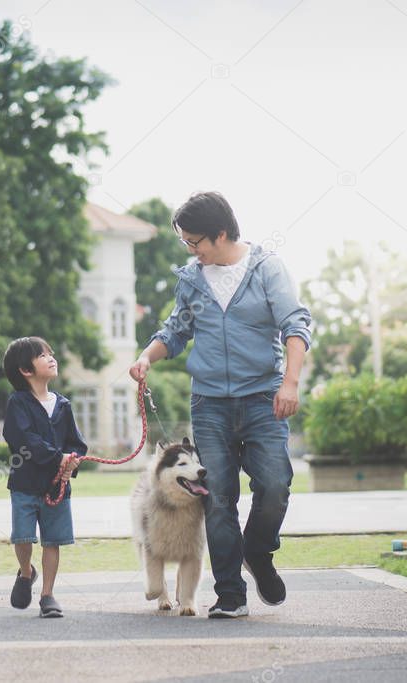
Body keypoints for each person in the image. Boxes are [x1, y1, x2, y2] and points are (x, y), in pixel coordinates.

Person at [130, 191, 311, 619]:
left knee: (274, 487)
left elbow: (295, 324)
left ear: (222, 234)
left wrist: (290, 383)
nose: (191, 251)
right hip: (209, 404)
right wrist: (145, 357)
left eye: (195, 242)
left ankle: (259, 552)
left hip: (263, 399)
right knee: (218, 498)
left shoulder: (267, 270)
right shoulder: (192, 279)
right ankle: (230, 593)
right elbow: (175, 331)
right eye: (185, 243)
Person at [2, 336, 86, 618]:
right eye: (43, 355)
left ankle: (47, 595)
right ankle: (26, 572)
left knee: (53, 541)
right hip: (25, 486)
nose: (52, 358)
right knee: (23, 537)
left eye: (51, 353)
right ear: (26, 370)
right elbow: (24, 438)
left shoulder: (63, 404)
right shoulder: (18, 403)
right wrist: (56, 457)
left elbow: (76, 442)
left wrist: (72, 461)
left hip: (56, 488)